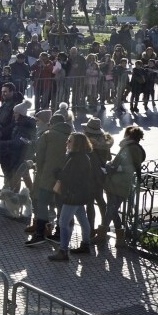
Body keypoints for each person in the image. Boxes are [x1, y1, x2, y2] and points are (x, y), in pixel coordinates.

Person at [26, 112, 72, 247]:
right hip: (64, 177)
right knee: (60, 206)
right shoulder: (71, 136)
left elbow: (39, 158)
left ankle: (40, 233)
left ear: (51, 123)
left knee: (42, 204)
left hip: (46, 176)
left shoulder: (47, 135)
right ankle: (58, 234)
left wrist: (38, 170)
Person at [49, 133, 97, 261]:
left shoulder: (77, 159)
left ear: (77, 144)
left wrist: (58, 173)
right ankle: (86, 245)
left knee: (63, 222)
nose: (67, 143)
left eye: (69, 141)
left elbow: (72, 178)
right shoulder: (80, 157)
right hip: (79, 194)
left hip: (73, 195)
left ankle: (63, 251)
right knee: (82, 220)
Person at [94, 125, 145, 245]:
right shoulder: (126, 146)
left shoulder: (134, 149)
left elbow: (134, 167)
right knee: (112, 211)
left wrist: (118, 168)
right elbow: (119, 160)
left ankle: (101, 235)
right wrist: (110, 165)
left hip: (121, 184)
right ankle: (120, 239)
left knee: (110, 210)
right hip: (113, 183)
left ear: (129, 135)